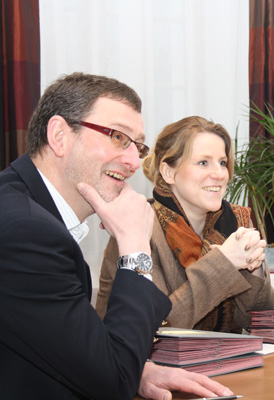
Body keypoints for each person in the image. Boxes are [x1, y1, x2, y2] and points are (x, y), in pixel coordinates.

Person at [0, 72, 234, 399]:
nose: (133, 161)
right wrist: (135, 246)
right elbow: (112, 385)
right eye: (117, 137)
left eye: (137, 146)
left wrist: (137, 369)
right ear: (59, 135)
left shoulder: (24, 209)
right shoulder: (27, 233)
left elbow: (61, 349)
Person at [95, 116, 274, 332]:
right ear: (169, 172)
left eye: (222, 163)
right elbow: (160, 326)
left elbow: (260, 322)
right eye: (203, 162)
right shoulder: (137, 226)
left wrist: (253, 267)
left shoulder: (236, 222)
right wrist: (224, 264)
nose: (219, 174)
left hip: (222, 362)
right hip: (139, 363)